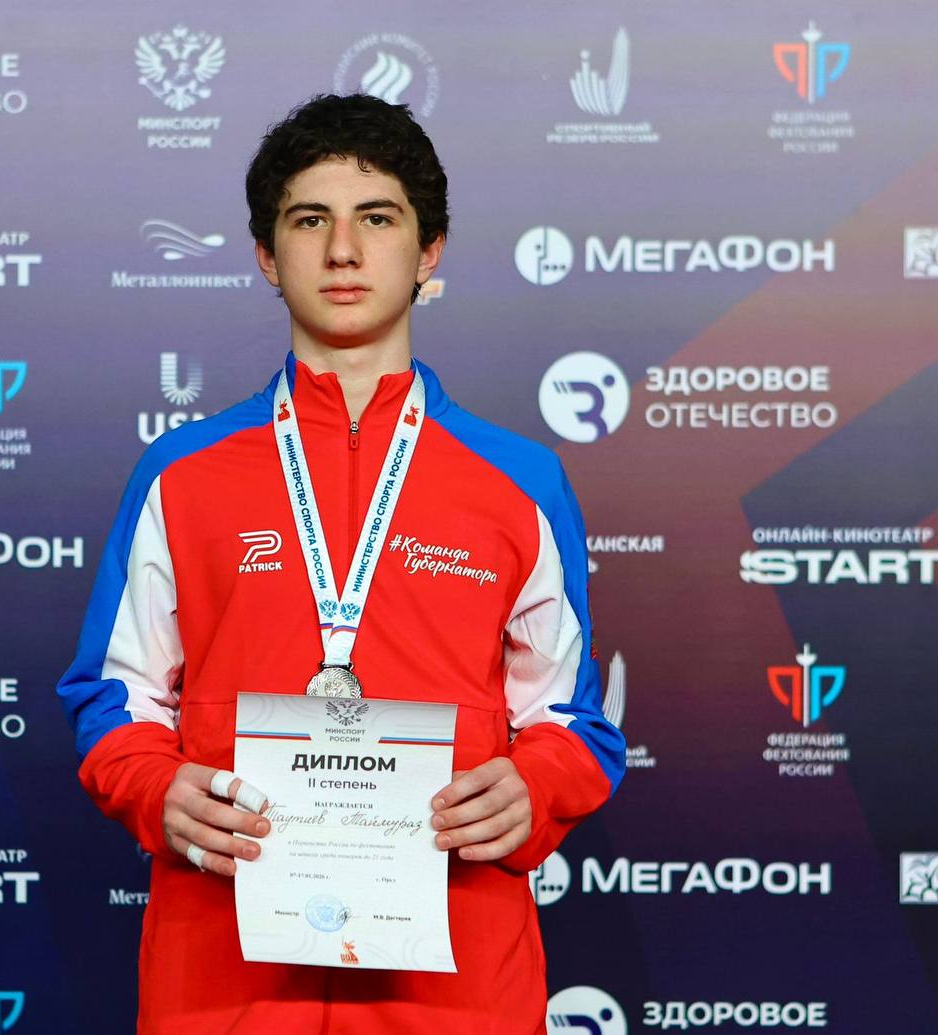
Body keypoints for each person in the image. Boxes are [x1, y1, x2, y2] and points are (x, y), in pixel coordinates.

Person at [57, 93, 625, 1035]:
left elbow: (571, 722)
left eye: (379, 219)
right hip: (225, 980)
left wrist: (535, 786)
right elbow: (113, 698)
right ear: (266, 255)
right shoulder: (181, 475)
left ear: (430, 250)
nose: (344, 251)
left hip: (455, 986)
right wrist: (160, 790)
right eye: (310, 220)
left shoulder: (520, 482)